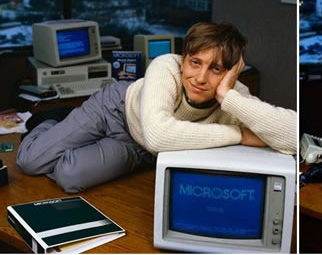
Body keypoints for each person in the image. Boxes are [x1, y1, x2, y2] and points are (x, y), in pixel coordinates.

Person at [17, 22, 297, 193]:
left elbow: (292, 134)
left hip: (143, 147)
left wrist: (228, 96)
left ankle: (70, 133)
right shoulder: (166, 66)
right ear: (183, 58)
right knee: (30, 162)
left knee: (70, 177)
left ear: (230, 74)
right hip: (115, 109)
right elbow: (159, 135)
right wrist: (239, 134)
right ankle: (53, 121)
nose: (200, 78)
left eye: (216, 69)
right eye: (195, 62)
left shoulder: (234, 95)